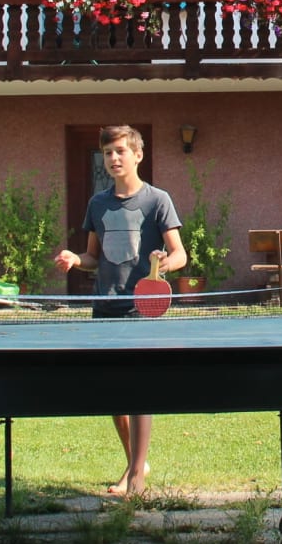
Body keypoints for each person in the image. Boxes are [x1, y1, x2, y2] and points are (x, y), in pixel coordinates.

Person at [52, 125, 186, 496]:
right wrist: (74, 259)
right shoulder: (98, 204)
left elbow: (180, 254)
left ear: (138, 155)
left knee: (140, 390)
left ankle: (136, 479)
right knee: (115, 395)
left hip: (143, 309)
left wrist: (164, 262)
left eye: (120, 151)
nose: (113, 158)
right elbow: (93, 257)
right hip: (105, 307)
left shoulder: (158, 200)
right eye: (108, 153)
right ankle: (134, 463)